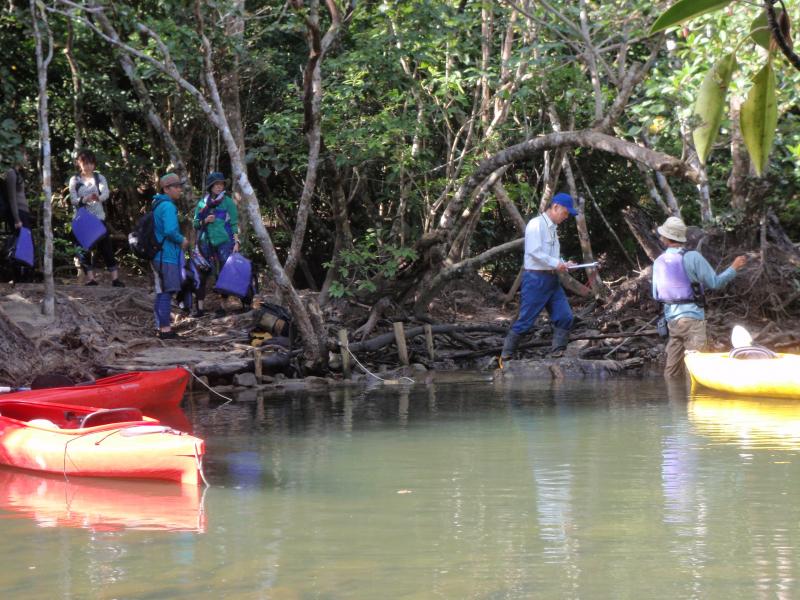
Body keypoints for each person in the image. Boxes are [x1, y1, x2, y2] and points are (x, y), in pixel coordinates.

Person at [652, 216, 747, 377]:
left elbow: (656, 294)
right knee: (697, 370)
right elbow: (715, 283)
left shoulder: (658, 261)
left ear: (666, 239)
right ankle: (696, 400)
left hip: (672, 322)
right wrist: (733, 268)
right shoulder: (693, 257)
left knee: (671, 373)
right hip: (693, 321)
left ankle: (671, 399)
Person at [500, 192, 579, 362]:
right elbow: (534, 252)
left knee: (565, 316)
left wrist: (564, 263)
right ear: (555, 207)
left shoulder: (553, 229)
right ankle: (505, 356)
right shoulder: (536, 224)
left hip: (552, 280)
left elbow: (551, 255)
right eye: (565, 213)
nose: (566, 217)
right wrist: (555, 263)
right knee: (526, 321)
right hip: (536, 279)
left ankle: (558, 353)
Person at [68, 150, 124, 287]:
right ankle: (91, 279)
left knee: (106, 248)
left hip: (99, 218)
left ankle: (115, 279)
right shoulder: (75, 180)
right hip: (83, 220)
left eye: (91, 163)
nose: (88, 166)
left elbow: (106, 192)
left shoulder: (99, 177)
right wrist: (85, 199)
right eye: (85, 163)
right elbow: (73, 200)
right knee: (84, 249)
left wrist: (98, 197)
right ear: (79, 164)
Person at [192, 171, 243, 317]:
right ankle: (199, 308)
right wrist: (205, 221)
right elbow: (195, 224)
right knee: (202, 274)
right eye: (216, 184)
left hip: (224, 243)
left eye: (221, 184)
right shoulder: (202, 203)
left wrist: (236, 242)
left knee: (222, 274)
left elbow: (234, 224)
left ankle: (222, 307)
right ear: (210, 187)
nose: (219, 187)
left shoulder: (228, 202)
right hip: (205, 243)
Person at [152, 172, 189, 339]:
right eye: (176, 187)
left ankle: (160, 327)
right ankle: (165, 330)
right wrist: (182, 240)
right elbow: (170, 231)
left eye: (180, 186)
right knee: (166, 292)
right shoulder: (167, 206)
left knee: (161, 292)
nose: (179, 189)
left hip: (159, 255)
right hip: (166, 255)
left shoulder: (158, 205)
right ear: (166, 189)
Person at [5, 150, 30, 232]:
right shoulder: (11, 173)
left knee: (27, 242)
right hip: (18, 213)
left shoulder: (19, 173)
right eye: (25, 155)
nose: (27, 157)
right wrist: (17, 219)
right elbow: (12, 198)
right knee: (24, 242)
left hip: (23, 212)